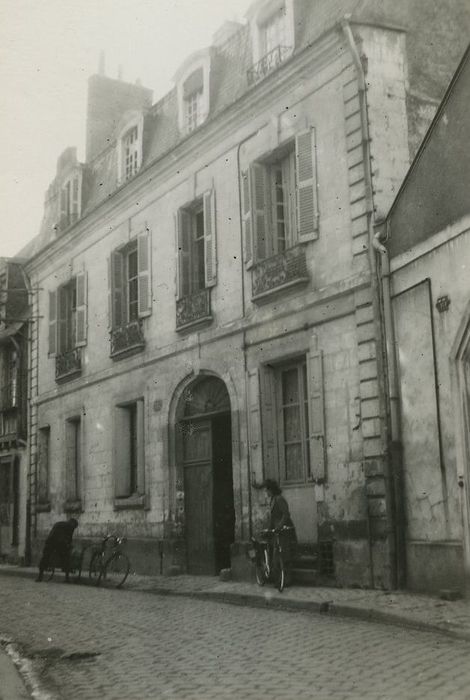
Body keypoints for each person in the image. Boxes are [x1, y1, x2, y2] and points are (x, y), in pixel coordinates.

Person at [263, 479, 297, 585]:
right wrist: (269, 529)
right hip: (277, 532)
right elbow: (273, 518)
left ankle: (286, 580)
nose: (266, 492)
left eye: (267, 490)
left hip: (284, 531)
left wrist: (279, 526)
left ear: (271, 490)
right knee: (276, 556)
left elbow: (286, 515)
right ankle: (280, 580)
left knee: (284, 556)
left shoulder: (279, 499)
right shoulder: (273, 500)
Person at [36, 518, 78, 582]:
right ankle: (67, 578)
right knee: (66, 557)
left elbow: (53, 534)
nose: (74, 528)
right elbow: (67, 538)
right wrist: (68, 545)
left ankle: (40, 577)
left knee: (45, 558)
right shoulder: (70, 527)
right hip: (57, 543)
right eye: (74, 527)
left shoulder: (59, 523)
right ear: (73, 524)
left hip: (50, 542)